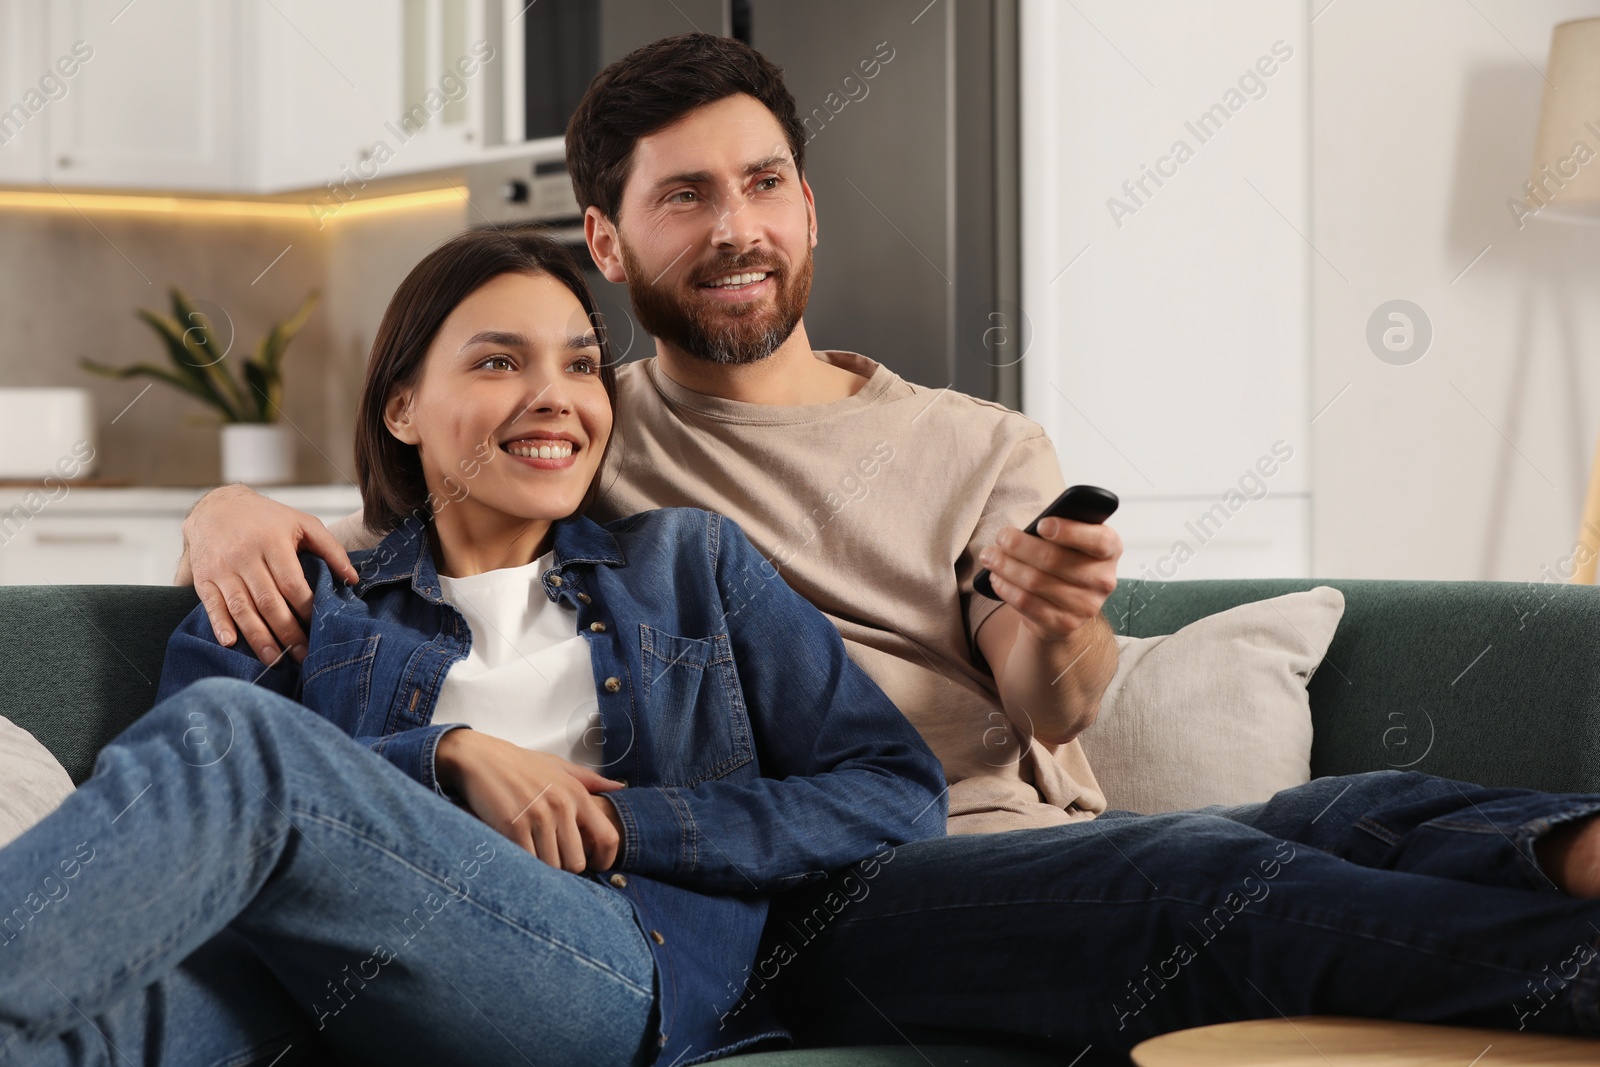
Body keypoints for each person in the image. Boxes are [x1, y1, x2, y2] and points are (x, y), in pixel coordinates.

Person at [175, 32, 1600, 1056]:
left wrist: (1055, 635)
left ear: (807, 204)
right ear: (605, 242)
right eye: (686, 196)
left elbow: (1048, 702)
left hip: (1025, 848)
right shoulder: (581, 431)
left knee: (1358, 811)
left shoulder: (977, 443)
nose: (735, 227)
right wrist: (221, 505)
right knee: (1227, 886)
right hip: (814, 897)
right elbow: (417, 547)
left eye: (763, 182)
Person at [0, 227, 946, 1066]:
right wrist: (448, 757)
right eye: (499, 363)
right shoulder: (300, 591)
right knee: (78, 1035)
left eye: (581, 365)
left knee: (239, 738)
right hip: (320, 982)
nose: (555, 398)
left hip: (601, 965)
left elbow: (894, 790)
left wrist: (629, 826)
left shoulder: (689, 565)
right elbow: (184, 825)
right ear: (402, 408)